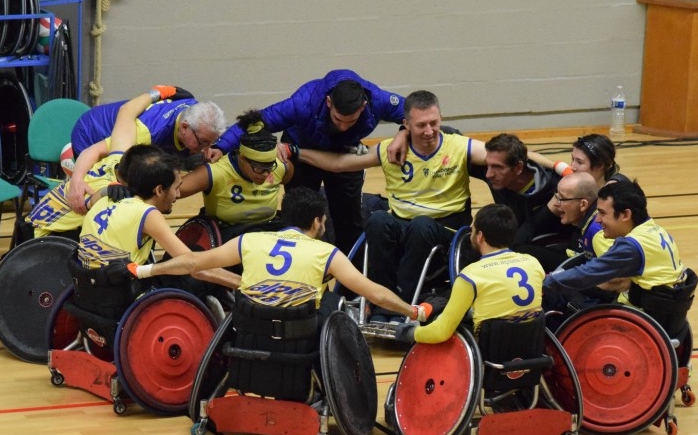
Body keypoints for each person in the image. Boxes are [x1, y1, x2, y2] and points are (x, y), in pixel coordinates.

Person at [297, 90, 487, 318]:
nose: (429, 131)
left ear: (441, 119)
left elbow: (501, 154)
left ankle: (402, 303)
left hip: (444, 228)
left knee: (421, 225)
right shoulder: (390, 150)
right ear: (406, 125)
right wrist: (296, 151)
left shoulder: (459, 146)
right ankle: (380, 299)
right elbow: (340, 164)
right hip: (403, 223)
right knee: (377, 219)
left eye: (434, 123)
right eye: (421, 125)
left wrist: (539, 161)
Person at [126, 186, 429, 325]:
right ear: (317, 222)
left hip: (251, 326)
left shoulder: (249, 240)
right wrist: (412, 311)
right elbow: (374, 292)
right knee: (334, 304)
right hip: (300, 332)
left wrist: (146, 271)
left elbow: (192, 262)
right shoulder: (327, 253)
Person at [214, 70, 406, 255]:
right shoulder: (303, 102)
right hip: (300, 155)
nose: (343, 126)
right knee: (301, 217)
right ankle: (300, 267)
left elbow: (414, 113)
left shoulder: (377, 100)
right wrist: (221, 147)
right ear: (329, 102)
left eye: (351, 121)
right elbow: (258, 120)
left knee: (349, 220)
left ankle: (349, 281)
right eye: (338, 119)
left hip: (344, 154)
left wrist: (402, 133)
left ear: (363, 106)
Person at [75, 145, 239, 294]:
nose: (178, 195)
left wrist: (106, 190)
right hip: (122, 295)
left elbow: (87, 204)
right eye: (176, 188)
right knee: (196, 272)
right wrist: (244, 285)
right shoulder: (147, 214)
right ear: (159, 190)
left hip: (87, 288)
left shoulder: (105, 198)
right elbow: (194, 266)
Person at [393, 204, 545, 345]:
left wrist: (409, 333)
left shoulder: (471, 275)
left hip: (491, 350)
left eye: (472, 230)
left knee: (440, 321)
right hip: (530, 347)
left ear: (480, 236)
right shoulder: (534, 263)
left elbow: (440, 332)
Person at [65, 87, 228, 214]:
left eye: (211, 143)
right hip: (91, 133)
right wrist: (77, 181)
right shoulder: (146, 132)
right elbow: (93, 151)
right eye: (202, 143)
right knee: (118, 193)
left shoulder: (195, 111)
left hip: (137, 134)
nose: (205, 149)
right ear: (184, 127)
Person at [542, 180, 687, 307]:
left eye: (602, 213)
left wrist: (546, 283)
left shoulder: (631, 246)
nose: (598, 220)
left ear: (626, 215)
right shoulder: (655, 230)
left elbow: (589, 273)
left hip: (637, 315)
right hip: (665, 312)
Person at [177, 110, 294, 242]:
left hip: (268, 231)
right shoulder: (215, 172)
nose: (266, 174)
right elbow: (173, 190)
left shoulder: (283, 167)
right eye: (259, 168)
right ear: (242, 158)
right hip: (227, 236)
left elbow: (286, 175)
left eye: (269, 167)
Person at [474, 133, 570, 248]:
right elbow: (459, 146)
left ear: (518, 168)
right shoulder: (497, 175)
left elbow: (527, 231)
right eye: (488, 165)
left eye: (497, 167)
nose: (488, 174)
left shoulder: (557, 188)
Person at [517, 171, 610, 271]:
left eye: (562, 199)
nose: (556, 204)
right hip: (574, 257)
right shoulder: (586, 216)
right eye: (557, 196)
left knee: (522, 251)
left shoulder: (599, 232)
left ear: (583, 204)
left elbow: (617, 279)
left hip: (580, 275)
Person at [529, 133, 628, 188]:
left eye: (580, 162)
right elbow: (527, 154)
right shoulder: (573, 174)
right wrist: (552, 165)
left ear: (600, 166)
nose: (572, 166)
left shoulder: (613, 194)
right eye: (573, 159)